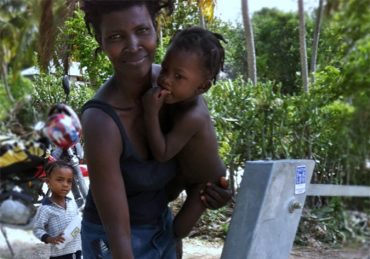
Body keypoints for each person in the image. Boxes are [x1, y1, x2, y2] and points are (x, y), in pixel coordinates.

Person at [80, 1, 231, 258]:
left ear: (155, 28)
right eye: (116, 36)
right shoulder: (101, 122)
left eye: (142, 30)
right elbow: (117, 229)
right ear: (101, 41)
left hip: (161, 227)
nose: (133, 45)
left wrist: (215, 190)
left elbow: (197, 159)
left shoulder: (177, 85)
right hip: (114, 241)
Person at [142, 26, 227, 238]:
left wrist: (150, 113)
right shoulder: (177, 97)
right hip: (182, 171)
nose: (166, 79)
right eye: (164, 69)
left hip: (206, 181)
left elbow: (163, 153)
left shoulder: (193, 116)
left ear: (202, 87)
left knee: (177, 231)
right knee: (162, 200)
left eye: (178, 76)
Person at [33, 160, 82, 259]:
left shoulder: (72, 202)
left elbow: (78, 223)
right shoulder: (45, 208)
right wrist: (50, 239)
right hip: (59, 255)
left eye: (69, 181)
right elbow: (37, 229)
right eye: (60, 180)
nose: (65, 184)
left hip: (77, 252)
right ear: (48, 182)